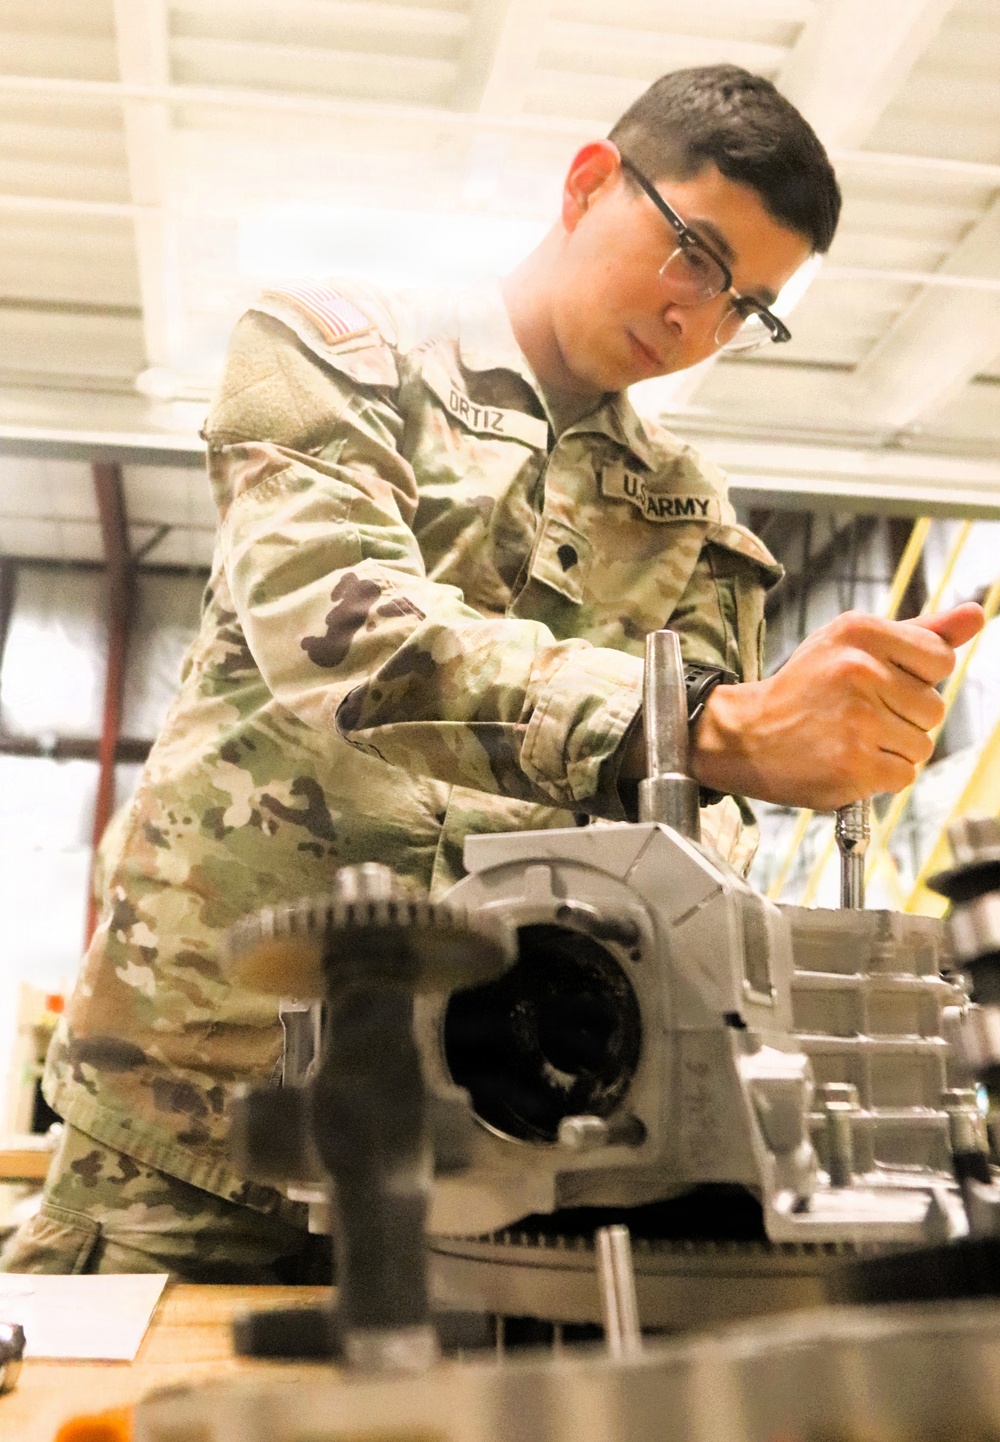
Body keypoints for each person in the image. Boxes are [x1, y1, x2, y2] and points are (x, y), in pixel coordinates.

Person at [2, 65, 982, 1280]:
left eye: (747, 305)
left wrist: (830, 740)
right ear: (587, 183)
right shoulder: (338, 347)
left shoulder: (693, 518)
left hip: (501, 1154)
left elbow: (670, 844)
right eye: (694, 252)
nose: (698, 320)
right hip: (198, 1104)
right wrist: (705, 727)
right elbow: (337, 623)